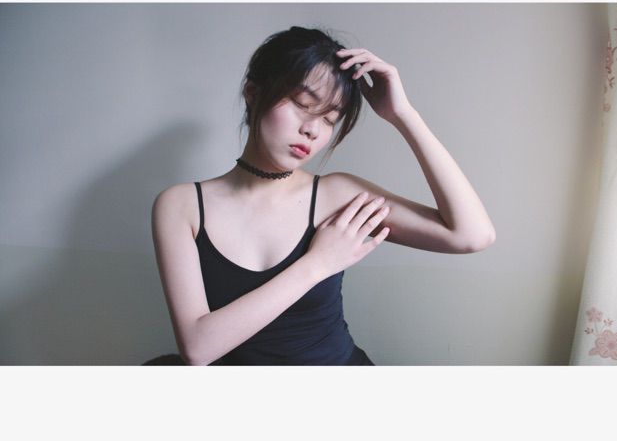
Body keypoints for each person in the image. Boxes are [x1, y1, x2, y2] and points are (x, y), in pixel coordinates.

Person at [151, 25, 496, 366]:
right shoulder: (181, 206)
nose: (312, 130)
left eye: (330, 119)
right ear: (253, 92)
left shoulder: (336, 194)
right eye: (303, 104)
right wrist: (318, 264)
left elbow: (471, 235)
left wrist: (402, 114)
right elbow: (198, 349)